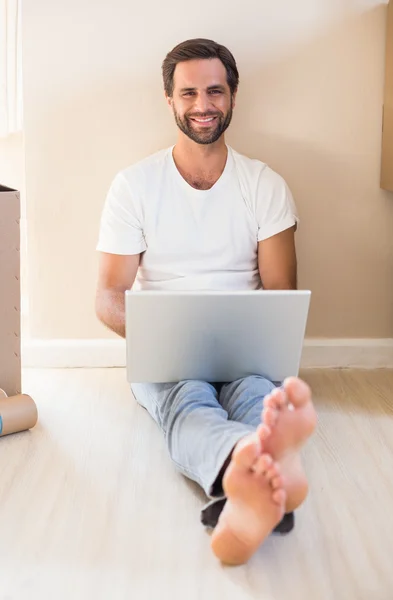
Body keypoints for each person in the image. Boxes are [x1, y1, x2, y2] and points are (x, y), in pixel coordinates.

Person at [95, 38, 317, 566]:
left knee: (256, 396)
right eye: (189, 92)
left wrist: (256, 337)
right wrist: (155, 333)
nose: (202, 105)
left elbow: (279, 292)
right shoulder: (134, 186)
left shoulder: (264, 185)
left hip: (246, 344)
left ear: (233, 97)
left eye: (215, 91)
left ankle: (244, 473)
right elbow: (107, 296)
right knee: (187, 400)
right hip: (165, 350)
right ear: (169, 100)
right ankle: (256, 461)